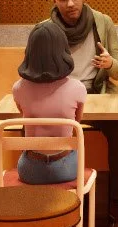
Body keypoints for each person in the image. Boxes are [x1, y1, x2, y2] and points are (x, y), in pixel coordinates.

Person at [46, 0, 118, 227]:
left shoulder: (102, 22)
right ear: (54, 1)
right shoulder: (45, 29)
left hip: (97, 95)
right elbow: (34, 69)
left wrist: (109, 63)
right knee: (33, 130)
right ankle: (47, 206)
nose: (70, 4)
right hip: (61, 99)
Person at [9, 21, 87, 185]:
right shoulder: (77, 88)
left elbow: (23, 118)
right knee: (75, 151)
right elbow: (76, 124)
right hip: (65, 169)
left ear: (30, 52)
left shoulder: (18, 89)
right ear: (62, 50)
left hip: (30, 171)